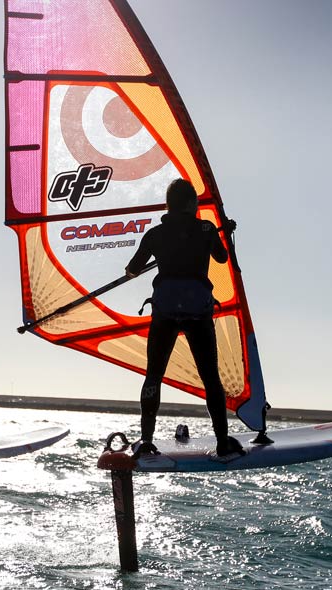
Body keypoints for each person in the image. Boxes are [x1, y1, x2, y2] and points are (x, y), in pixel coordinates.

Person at [124, 178, 246, 458]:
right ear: (192, 204)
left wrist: (132, 270)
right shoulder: (205, 229)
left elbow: (133, 269)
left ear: (168, 205)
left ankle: (145, 440)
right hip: (197, 313)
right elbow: (221, 258)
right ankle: (223, 441)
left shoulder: (155, 235)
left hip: (165, 312)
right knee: (210, 378)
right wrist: (222, 233)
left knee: (153, 375)